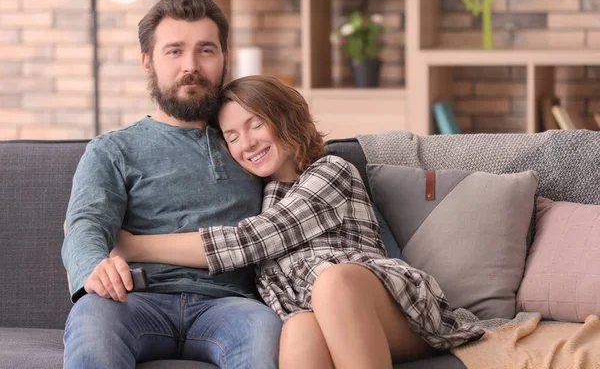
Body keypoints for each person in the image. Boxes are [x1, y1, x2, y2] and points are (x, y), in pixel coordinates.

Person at [111, 75, 485, 369]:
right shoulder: (257, 199)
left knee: (333, 282)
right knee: (298, 329)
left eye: (256, 125)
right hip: (312, 315)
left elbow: (247, 242)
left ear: (285, 118)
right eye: (232, 137)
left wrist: (131, 244)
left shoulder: (330, 171)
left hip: (391, 310)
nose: (247, 143)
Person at [61, 0, 282, 369]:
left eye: (206, 50)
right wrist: (94, 267)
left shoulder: (251, 143)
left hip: (232, 304)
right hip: (133, 300)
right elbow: (86, 223)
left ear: (225, 58)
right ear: (148, 62)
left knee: (266, 331)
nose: (191, 66)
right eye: (175, 51)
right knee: (91, 318)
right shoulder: (112, 149)